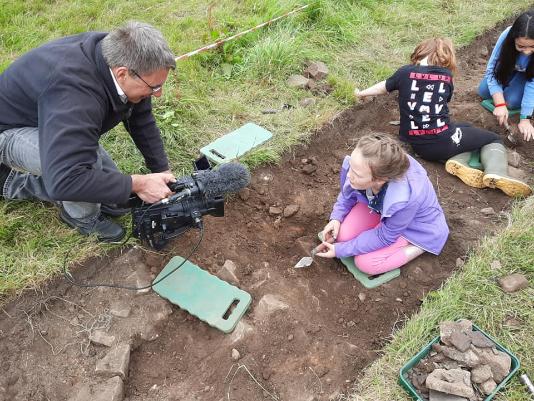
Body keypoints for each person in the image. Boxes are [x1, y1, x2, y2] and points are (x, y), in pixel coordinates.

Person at [0, 21, 177, 242]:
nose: (158, 94)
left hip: (50, 114)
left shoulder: (121, 56)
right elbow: (67, 179)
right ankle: (80, 217)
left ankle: (92, 194)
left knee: (106, 185)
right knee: (83, 167)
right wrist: (138, 183)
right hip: (9, 131)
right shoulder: (74, 92)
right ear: (122, 74)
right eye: (154, 88)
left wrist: (162, 170)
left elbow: (140, 118)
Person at [356, 38, 531, 198]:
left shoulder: (404, 72)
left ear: (420, 53)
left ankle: (459, 161)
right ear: (446, 59)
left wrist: (362, 93)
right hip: (441, 141)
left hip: (416, 142)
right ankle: (497, 172)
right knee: (491, 138)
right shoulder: (446, 77)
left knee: (465, 128)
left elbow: (383, 87)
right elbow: (445, 99)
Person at [315, 134, 448, 275]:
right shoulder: (372, 165)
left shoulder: (405, 198)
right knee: (341, 235)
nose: (349, 175)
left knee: (365, 263)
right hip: (382, 209)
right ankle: (374, 222)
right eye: (351, 168)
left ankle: (420, 246)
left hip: (415, 228)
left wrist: (341, 250)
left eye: (357, 174)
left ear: (380, 180)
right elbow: (348, 191)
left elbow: (384, 236)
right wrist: (336, 217)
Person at [479, 9, 534, 142]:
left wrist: (525, 119)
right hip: (508, 69)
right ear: (513, 38)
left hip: (529, 75)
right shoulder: (506, 36)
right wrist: (499, 104)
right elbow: (492, 70)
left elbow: (532, 84)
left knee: (512, 101)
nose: (526, 52)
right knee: (483, 91)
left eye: (532, 47)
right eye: (521, 46)